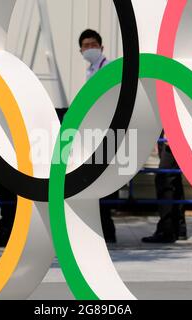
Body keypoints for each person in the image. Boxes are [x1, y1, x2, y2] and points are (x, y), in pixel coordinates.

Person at [79, 29, 116, 243]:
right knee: (94, 181)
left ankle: (107, 231)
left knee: (104, 181)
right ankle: (100, 229)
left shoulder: (108, 68)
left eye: (94, 45)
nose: (90, 49)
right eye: (86, 46)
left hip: (106, 131)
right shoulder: (90, 70)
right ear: (81, 51)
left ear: (101, 48)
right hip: (94, 132)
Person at [142, 132, 187, 243]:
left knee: (164, 177)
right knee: (173, 177)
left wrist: (168, 130)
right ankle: (179, 227)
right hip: (169, 128)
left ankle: (167, 230)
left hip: (173, 129)